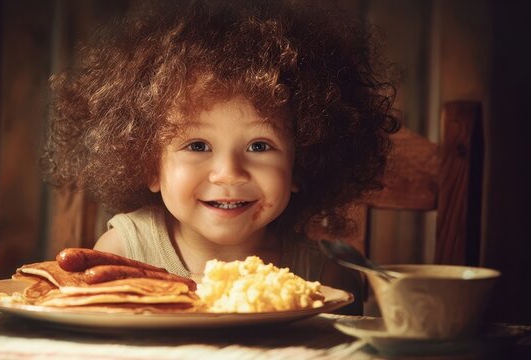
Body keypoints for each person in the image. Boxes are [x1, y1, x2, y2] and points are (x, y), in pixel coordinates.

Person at [41, 0, 399, 314]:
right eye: (197, 145)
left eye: (259, 146)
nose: (228, 174)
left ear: (302, 163)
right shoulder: (124, 251)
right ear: (148, 162)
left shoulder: (322, 277)